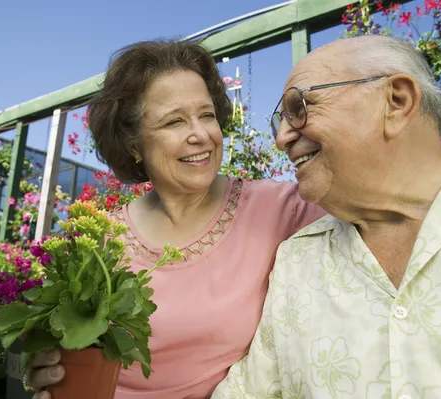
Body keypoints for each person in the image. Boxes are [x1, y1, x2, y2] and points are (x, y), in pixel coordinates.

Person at [26, 40, 325, 399]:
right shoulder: (101, 240)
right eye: (174, 121)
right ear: (134, 146)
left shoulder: (284, 209)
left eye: (207, 115)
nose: (200, 135)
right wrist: (46, 367)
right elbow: (61, 350)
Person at [211, 34, 441, 399]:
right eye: (279, 121)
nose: (282, 137)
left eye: (298, 107)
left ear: (396, 102)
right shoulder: (297, 260)